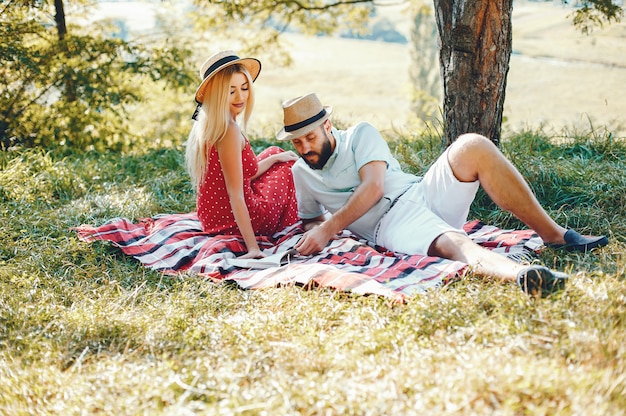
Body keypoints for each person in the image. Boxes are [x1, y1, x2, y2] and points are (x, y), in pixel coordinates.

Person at [276, 93, 609, 296]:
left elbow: (374, 186)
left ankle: (554, 235)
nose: (305, 148)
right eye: (297, 142)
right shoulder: (300, 174)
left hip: (419, 189)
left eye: (310, 137)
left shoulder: (360, 135)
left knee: (473, 146)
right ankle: (522, 275)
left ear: (327, 126)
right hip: (391, 224)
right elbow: (311, 221)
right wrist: (316, 235)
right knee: (454, 242)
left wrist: (328, 229)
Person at [185, 50, 299, 259]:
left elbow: (239, 175)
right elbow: (235, 194)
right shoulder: (228, 131)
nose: (241, 97)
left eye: (244, 88)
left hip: (212, 216)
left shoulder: (211, 124)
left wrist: (274, 159)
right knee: (290, 170)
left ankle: (277, 162)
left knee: (275, 153)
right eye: (231, 91)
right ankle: (303, 220)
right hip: (232, 221)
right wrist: (253, 248)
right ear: (218, 94)